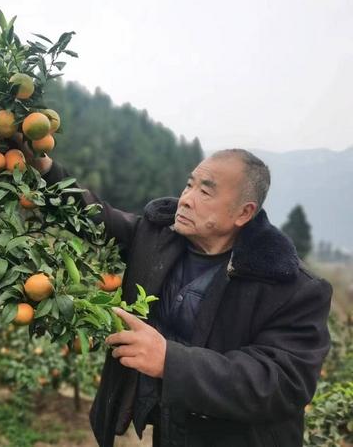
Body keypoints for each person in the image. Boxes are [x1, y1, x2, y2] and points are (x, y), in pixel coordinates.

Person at [19, 142, 332, 447]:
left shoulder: (290, 287)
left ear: (243, 213)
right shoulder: (159, 236)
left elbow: (281, 382)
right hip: (168, 431)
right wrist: (45, 169)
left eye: (205, 192)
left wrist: (171, 361)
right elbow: (96, 218)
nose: (186, 199)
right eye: (189, 185)